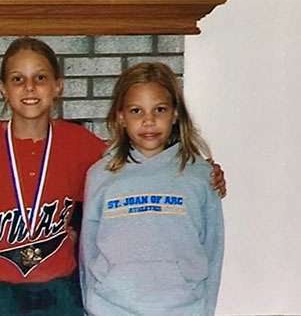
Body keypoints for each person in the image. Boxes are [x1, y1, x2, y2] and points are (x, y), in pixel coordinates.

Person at [0, 37, 226, 316]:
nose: (29, 88)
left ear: (58, 86)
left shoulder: (83, 145)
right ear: (2, 89)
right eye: (17, 79)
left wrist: (202, 171)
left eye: (40, 78)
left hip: (56, 289)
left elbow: (137, 168)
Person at [79, 62, 224, 316]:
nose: (149, 120)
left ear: (175, 114)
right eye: (137, 111)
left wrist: (205, 309)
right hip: (111, 308)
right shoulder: (101, 175)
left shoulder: (200, 175)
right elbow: (87, 249)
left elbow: (213, 246)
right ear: (121, 117)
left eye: (159, 109)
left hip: (182, 309)